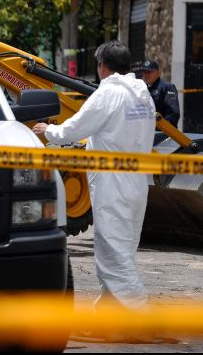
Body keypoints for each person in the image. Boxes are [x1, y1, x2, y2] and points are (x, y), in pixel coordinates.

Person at [32, 41, 156, 310]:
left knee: (113, 255)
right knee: (123, 251)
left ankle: (142, 318)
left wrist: (49, 130)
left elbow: (77, 127)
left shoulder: (109, 93)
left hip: (114, 185)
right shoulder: (142, 93)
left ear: (102, 66)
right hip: (137, 184)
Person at [135, 59, 180, 127]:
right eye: (144, 72)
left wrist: (162, 129)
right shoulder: (142, 88)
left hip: (164, 132)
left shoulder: (167, 87)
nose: (146, 75)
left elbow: (173, 113)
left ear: (158, 73)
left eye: (149, 72)